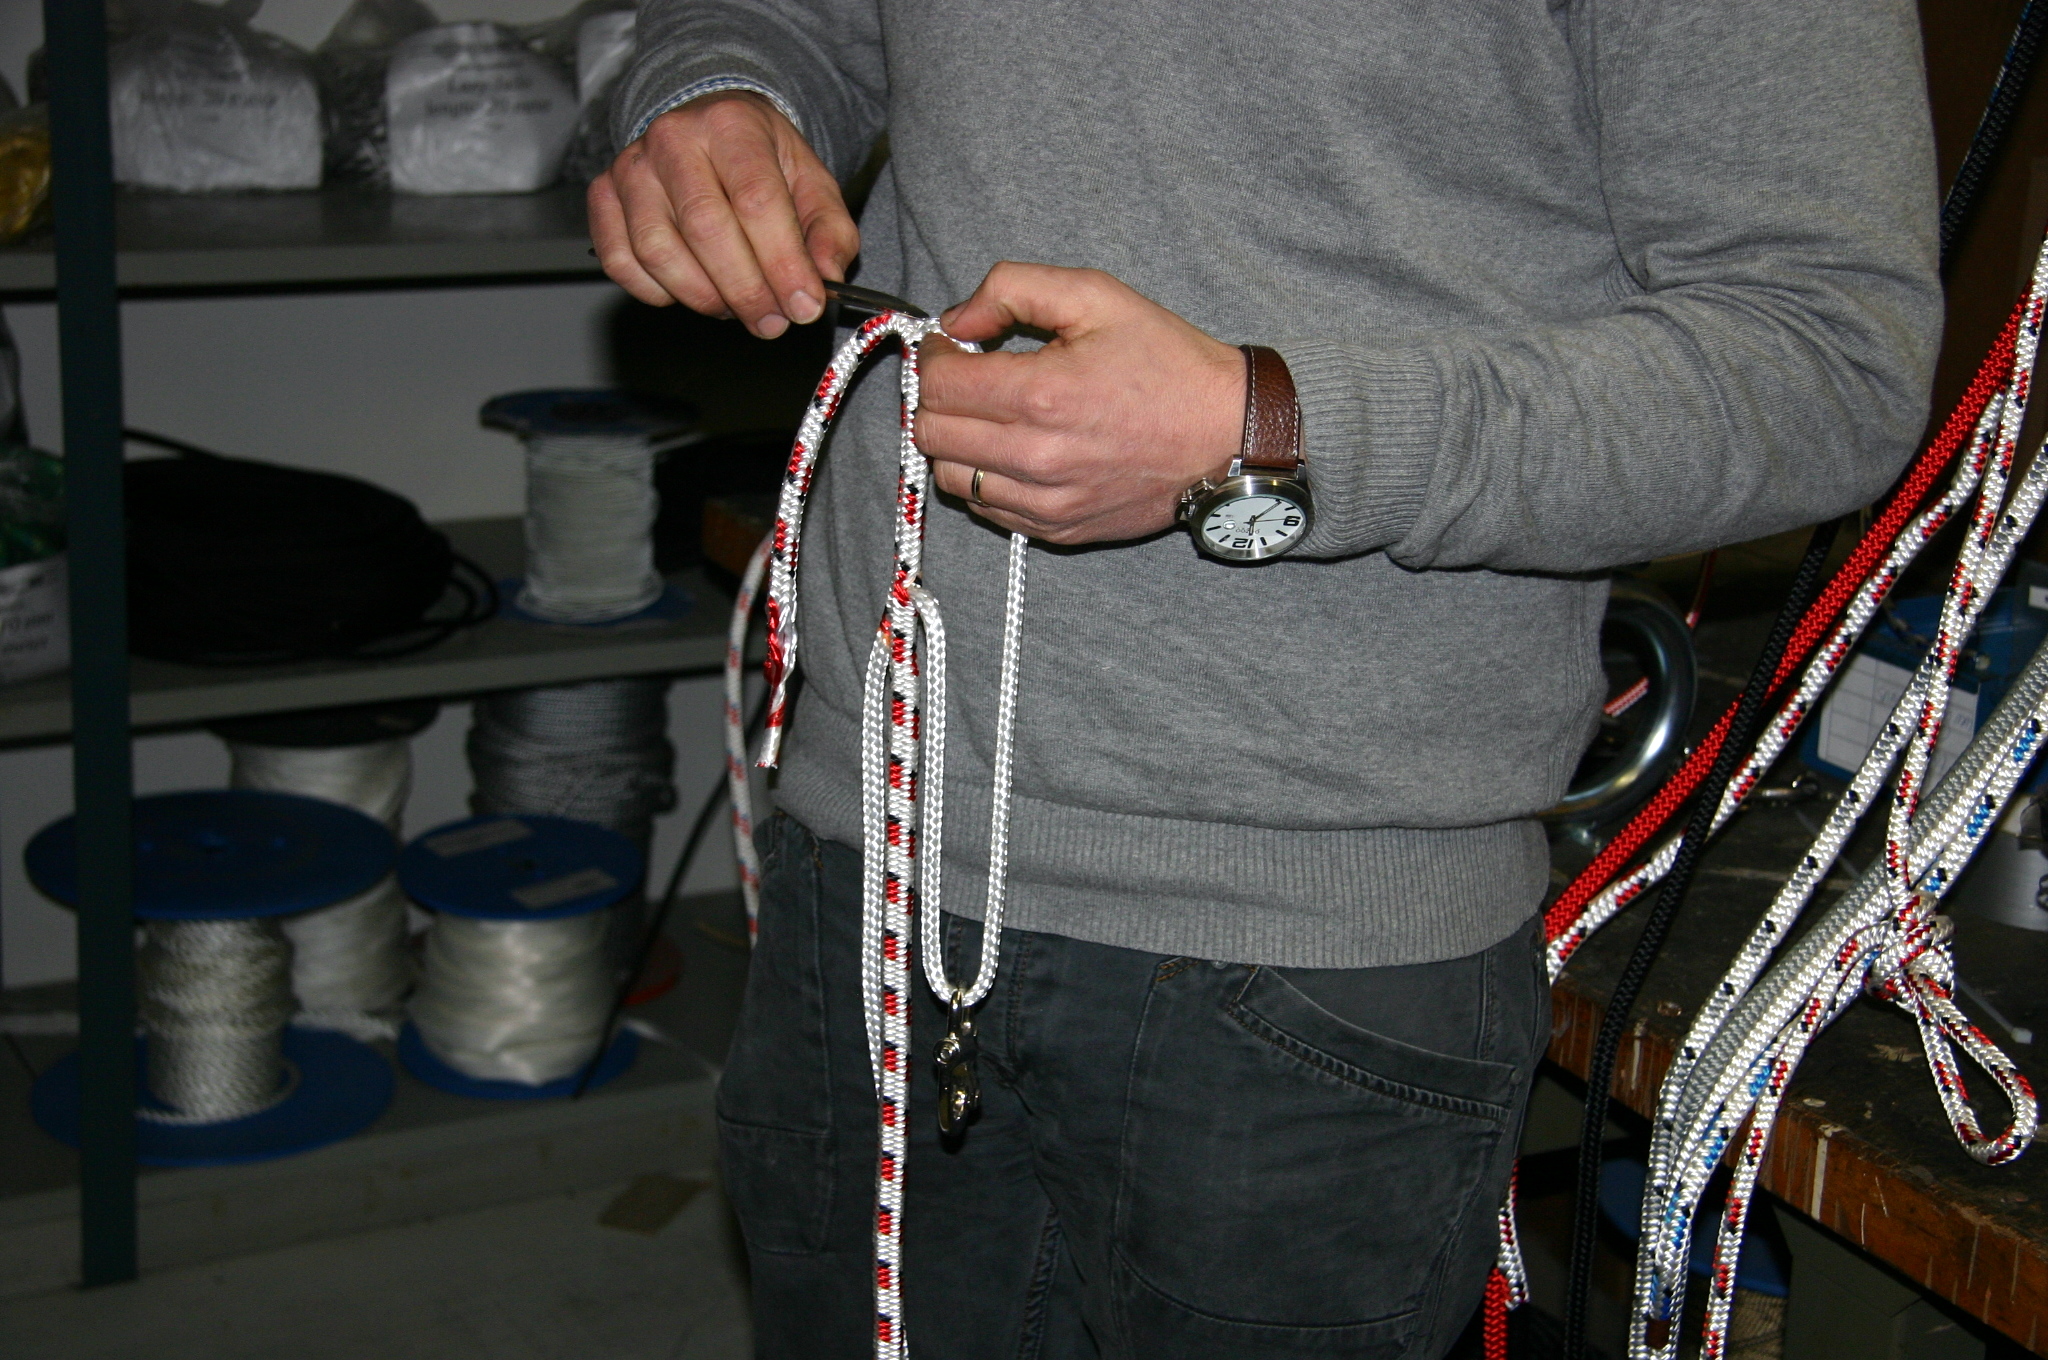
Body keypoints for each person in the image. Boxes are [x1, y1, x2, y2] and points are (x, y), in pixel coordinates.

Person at [591, 3, 1941, 1356]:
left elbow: (1830, 360)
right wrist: (717, 93)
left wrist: (1271, 429)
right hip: (871, 866)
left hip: (1316, 967)